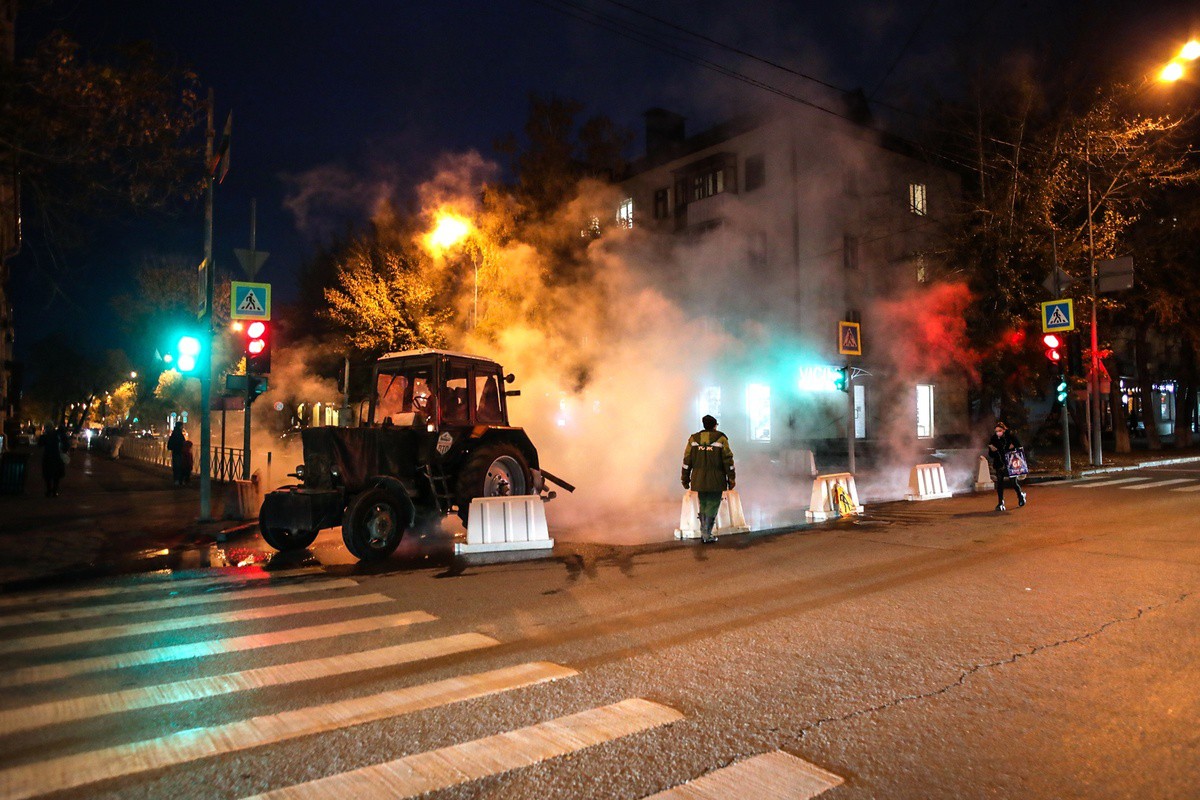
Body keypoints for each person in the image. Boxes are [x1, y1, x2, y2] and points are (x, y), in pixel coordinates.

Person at [681, 414, 736, 543]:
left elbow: (687, 460)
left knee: (703, 504)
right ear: (714, 425)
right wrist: (731, 479)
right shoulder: (721, 439)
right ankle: (707, 534)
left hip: (698, 479)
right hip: (716, 480)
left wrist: (685, 478)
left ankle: (704, 532)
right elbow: (728, 461)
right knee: (712, 505)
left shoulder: (693, 439)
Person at [987, 420, 1026, 512]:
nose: (998, 433)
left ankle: (1020, 495)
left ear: (1004, 430)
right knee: (1000, 483)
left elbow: (1019, 448)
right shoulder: (994, 439)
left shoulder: (1010, 437)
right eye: (996, 431)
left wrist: (1013, 448)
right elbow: (991, 455)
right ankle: (1001, 503)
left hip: (1011, 464)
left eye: (999, 430)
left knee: (1013, 482)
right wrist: (993, 450)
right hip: (999, 464)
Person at [38, 423, 67, 497]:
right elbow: (65, 444)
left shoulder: (45, 436)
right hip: (57, 457)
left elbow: (39, 444)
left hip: (48, 458)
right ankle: (54, 491)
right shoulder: (57, 435)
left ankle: (49, 491)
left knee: (48, 476)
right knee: (56, 476)